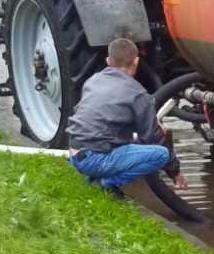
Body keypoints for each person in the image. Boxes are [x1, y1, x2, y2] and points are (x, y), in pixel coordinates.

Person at [67, 35, 188, 199]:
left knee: (135, 142)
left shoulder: (93, 80)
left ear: (108, 61)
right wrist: (175, 171)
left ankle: (94, 176)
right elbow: (153, 137)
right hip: (94, 158)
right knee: (162, 154)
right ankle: (107, 183)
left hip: (74, 153)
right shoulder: (138, 94)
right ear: (136, 62)